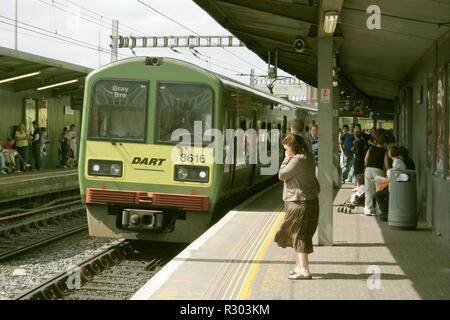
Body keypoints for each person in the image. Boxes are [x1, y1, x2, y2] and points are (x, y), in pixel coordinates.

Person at [274, 133, 320, 280]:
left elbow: (281, 175)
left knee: (299, 236)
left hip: (300, 203)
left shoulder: (296, 161)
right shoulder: (309, 157)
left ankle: (304, 271)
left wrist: (287, 158)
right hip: (310, 201)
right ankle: (299, 267)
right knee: (298, 235)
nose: (285, 151)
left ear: (293, 147)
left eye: (287, 149)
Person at [374, 146, 406, 221]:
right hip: (397, 186)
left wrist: (382, 179)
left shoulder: (396, 162)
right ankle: (386, 212)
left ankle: (385, 213)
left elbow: (392, 176)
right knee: (382, 191)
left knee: (378, 194)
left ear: (390, 153)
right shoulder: (398, 161)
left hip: (395, 188)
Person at [363, 130, 390, 216]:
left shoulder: (371, 149)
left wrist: (370, 165)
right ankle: (379, 210)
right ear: (384, 143)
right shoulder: (384, 152)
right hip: (378, 170)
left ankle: (368, 209)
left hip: (368, 170)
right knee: (379, 191)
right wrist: (387, 173)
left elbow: (365, 160)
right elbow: (386, 165)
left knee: (368, 190)